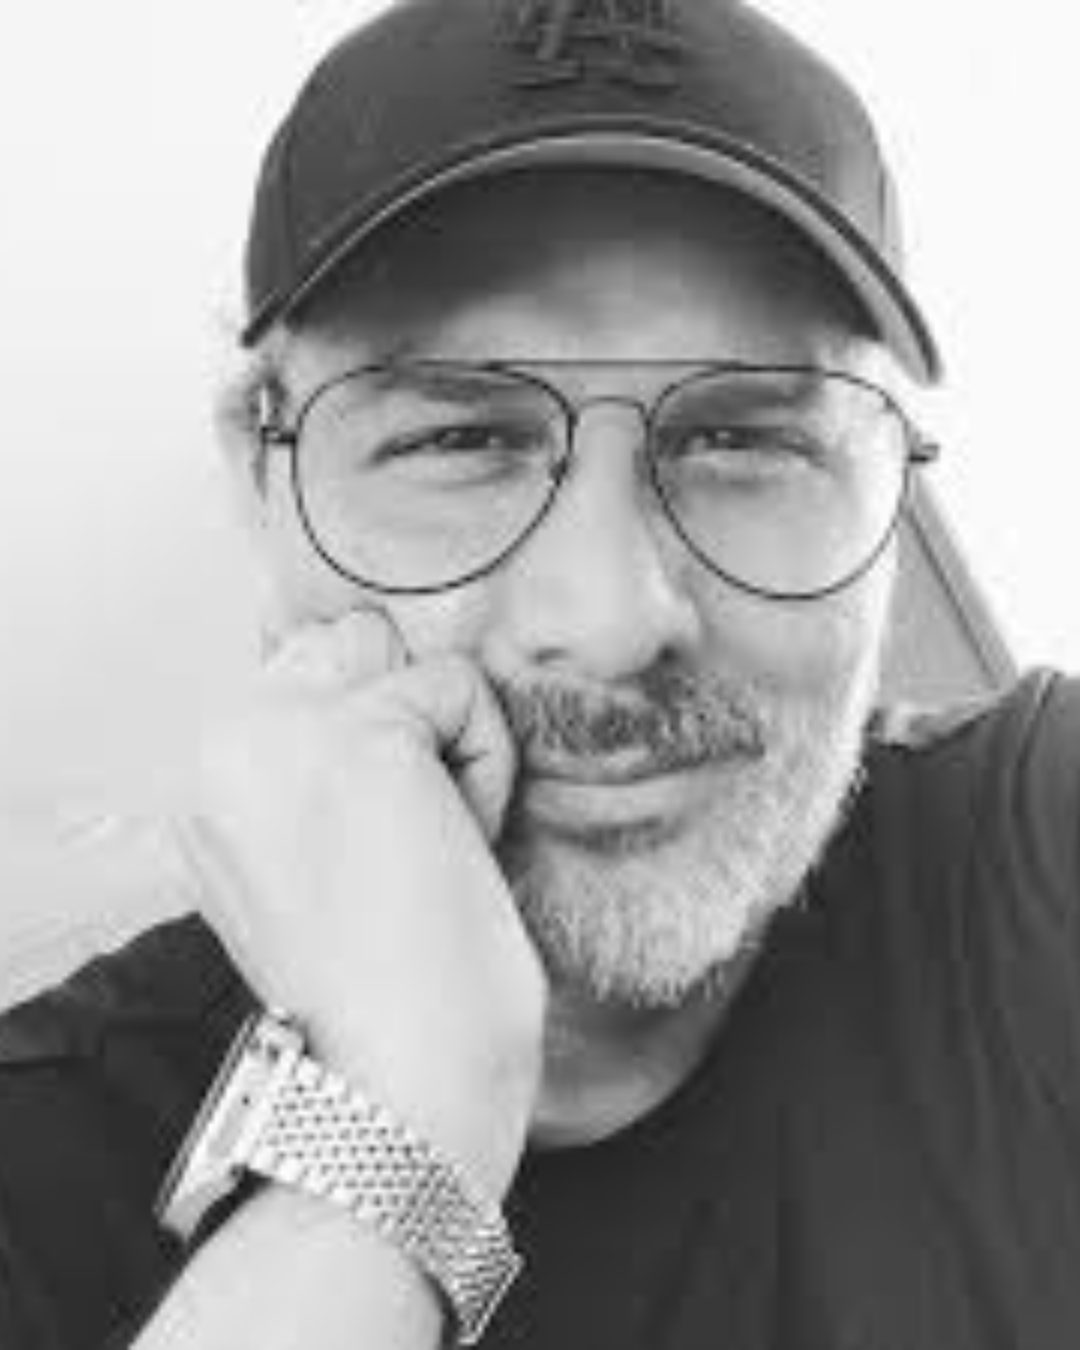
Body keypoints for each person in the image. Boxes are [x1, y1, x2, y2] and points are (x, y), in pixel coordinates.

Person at [2, 1, 1080, 1347]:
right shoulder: (37, 1163)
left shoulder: (1043, 849)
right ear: (259, 479)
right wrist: (394, 1132)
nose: (612, 618)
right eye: (460, 439)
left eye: (747, 437)